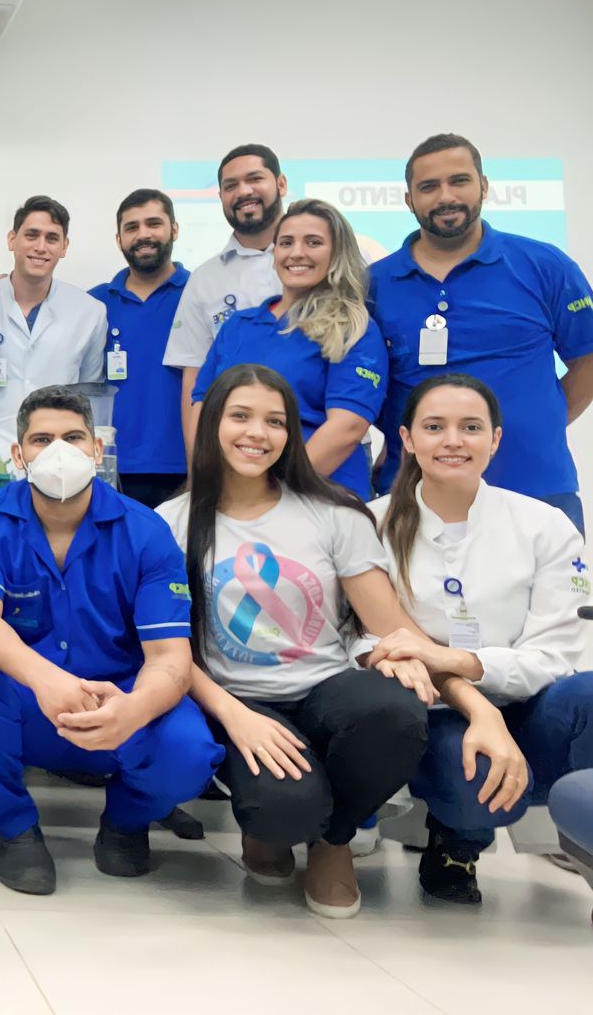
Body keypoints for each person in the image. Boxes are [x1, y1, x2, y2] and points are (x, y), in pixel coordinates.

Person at [157, 364, 433, 917]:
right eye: (240, 416)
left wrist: (460, 687)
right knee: (283, 810)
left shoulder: (333, 512)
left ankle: (334, 841)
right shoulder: (171, 521)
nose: (257, 433)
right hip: (239, 699)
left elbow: (392, 626)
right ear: (212, 424)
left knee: (396, 712)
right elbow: (170, 652)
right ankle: (275, 827)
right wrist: (234, 715)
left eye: (275, 421)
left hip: (326, 688)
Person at [0, 385, 223, 894]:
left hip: (119, 699)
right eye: (41, 439)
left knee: (190, 751)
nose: (59, 451)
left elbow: (170, 658)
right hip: (31, 702)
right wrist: (47, 681)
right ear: (18, 454)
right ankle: (17, 829)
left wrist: (133, 710)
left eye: (72, 437)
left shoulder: (146, 530)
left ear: (96, 449)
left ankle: (127, 822)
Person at [365, 372, 593, 904]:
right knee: (476, 787)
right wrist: (453, 683)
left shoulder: (545, 525)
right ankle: (458, 838)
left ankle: (575, 829)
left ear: (495, 439)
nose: (453, 440)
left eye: (471, 427)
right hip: (436, 710)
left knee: (588, 693)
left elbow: (558, 654)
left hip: (531, 705)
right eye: (434, 427)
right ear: (406, 440)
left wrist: (461, 660)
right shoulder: (370, 524)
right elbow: (363, 640)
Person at [369, 133, 593, 534]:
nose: (445, 196)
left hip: (536, 489)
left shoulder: (546, 265)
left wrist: (538, 423)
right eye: (428, 186)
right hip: (413, 496)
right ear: (408, 200)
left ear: (484, 186)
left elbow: (588, 358)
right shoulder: (372, 284)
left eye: (459, 181)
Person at [191, 199, 388, 498]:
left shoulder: (354, 328)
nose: (297, 253)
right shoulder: (239, 325)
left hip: (319, 495)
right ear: (274, 254)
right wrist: (208, 480)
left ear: (337, 253)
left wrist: (273, 495)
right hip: (233, 494)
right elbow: (203, 407)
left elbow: (346, 428)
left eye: (313, 242)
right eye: (286, 243)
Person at [164, 144, 289, 446]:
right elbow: (193, 376)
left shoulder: (326, 262)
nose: (243, 191)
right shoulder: (204, 279)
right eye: (231, 186)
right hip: (238, 445)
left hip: (321, 438)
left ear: (281, 184)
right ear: (220, 196)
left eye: (255, 179)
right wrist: (196, 464)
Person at [0, 196, 107, 467]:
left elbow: (88, 393)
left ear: (64, 247)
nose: (40, 247)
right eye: (31, 235)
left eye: (52, 238)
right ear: (12, 240)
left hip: (62, 456)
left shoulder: (90, 312)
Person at [89, 188, 190, 509]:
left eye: (153, 223)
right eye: (132, 227)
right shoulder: (94, 303)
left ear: (174, 229)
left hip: (187, 470)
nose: (143, 234)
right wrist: (0, 284)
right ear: (119, 239)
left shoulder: (200, 294)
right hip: (108, 470)